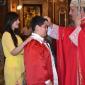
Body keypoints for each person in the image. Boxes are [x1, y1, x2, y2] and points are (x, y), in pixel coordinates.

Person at [44, 0, 85, 85]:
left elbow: (80, 42)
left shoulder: (81, 27)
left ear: (80, 11)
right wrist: (50, 25)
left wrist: (78, 28)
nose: (69, 13)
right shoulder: (79, 27)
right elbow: (64, 33)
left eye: (72, 10)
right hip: (73, 70)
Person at [24, 16, 58, 85]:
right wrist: (48, 82)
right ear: (37, 27)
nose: (47, 29)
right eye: (45, 27)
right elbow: (39, 67)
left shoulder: (40, 42)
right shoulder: (34, 44)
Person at [1, 11, 31, 85]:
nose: (19, 21)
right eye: (16, 20)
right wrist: (26, 41)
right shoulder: (6, 35)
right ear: (10, 21)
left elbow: (24, 50)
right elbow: (14, 52)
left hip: (19, 67)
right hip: (12, 68)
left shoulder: (16, 35)